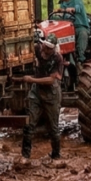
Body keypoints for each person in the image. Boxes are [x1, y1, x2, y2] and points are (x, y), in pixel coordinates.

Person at [21, 32, 64, 160]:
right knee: (29, 124)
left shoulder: (57, 59)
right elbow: (29, 46)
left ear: (53, 49)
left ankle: (56, 156)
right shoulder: (38, 50)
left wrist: (32, 80)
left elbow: (51, 80)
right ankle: (25, 156)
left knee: (53, 128)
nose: (45, 49)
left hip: (51, 94)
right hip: (37, 92)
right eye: (45, 46)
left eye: (49, 48)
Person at [57, 0, 90, 64]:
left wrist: (73, 9)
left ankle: (81, 57)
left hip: (79, 26)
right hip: (67, 27)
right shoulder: (62, 3)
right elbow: (61, 13)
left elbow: (78, 8)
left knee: (82, 33)